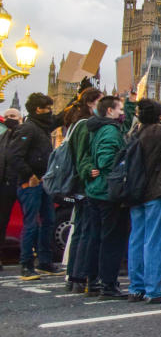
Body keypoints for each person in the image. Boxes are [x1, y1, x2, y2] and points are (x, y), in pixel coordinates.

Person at [84, 95, 133, 299]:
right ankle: (108, 285)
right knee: (111, 240)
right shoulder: (110, 131)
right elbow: (106, 160)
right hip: (107, 193)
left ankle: (93, 281)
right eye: (119, 109)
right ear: (109, 111)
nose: (122, 112)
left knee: (95, 238)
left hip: (95, 190)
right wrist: (123, 160)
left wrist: (130, 103)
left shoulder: (96, 129)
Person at [127, 99, 161, 304]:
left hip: (134, 193)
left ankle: (135, 287)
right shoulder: (156, 133)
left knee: (137, 239)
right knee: (155, 241)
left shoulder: (133, 133)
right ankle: (154, 288)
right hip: (154, 192)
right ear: (158, 116)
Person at [9, 93, 63, 280]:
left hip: (43, 182)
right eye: (48, 108)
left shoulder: (42, 127)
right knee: (31, 224)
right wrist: (29, 175)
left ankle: (45, 262)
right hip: (30, 183)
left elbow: (61, 118)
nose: (50, 112)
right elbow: (14, 156)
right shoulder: (28, 129)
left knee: (48, 222)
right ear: (38, 109)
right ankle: (26, 265)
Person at [64, 87, 103, 292]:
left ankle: (73, 276)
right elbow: (83, 156)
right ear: (90, 103)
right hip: (85, 184)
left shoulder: (75, 123)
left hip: (77, 185)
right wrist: (89, 171)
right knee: (87, 230)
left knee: (79, 230)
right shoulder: (86, 125)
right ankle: (80, 277)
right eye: (100, 101)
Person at [0, 108, 22, 266]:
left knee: (32, 220)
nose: (9, 119)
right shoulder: (2, 137)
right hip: (6, 184)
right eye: (6, 117)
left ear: (20, 118)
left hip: (24, 182)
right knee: (2, 221)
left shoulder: (27, 134)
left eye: (12, 116)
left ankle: (28, 258)